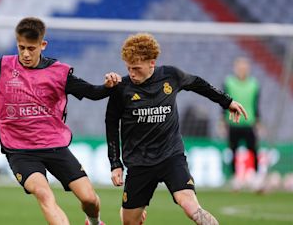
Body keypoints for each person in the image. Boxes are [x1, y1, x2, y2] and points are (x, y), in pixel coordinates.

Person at [0, 17, 121, 225]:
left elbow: (93, 93)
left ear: (43, 45)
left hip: (54, 146)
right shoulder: (2, 66)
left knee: (89, 199)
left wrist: (109, 86)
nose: (26, 54)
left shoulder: (59, 72)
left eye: (31, 48)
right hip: (19, 150)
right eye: (21, 47)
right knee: (44, 195)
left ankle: (94, 222)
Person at [105, 33, 247, 225]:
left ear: (152, 63)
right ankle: (132, 212)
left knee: (191, 207)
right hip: (139, 163)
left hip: (171, 157)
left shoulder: (170, 76)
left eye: (136, 68)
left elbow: (198, 83)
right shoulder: (121, 88)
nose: (132, 73)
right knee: (129, 222)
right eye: (129, 68)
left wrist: (227, 101)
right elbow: (111, 124)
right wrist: (115, 163)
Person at [222, 57, 262, 189]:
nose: (242, 70)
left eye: (244, 67)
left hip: (249, 122)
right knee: (233, 151)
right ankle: (235, 179)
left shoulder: (254, 84)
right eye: (240, 67)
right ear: (235, 68)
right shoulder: (229, 82)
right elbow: (223, 102)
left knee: (254, 150)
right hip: (233, 122)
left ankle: (255, 178)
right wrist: (222, 121)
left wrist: (258, 121)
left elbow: (256, 104)